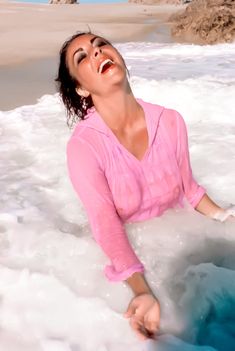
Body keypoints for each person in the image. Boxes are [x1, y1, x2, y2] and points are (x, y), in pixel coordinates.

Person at [56, 31, 235, 341]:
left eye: (101, 45)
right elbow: (105, 222)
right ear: (81, 88)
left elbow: (189, 190)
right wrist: (142, 290)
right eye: (82, 57)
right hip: (138, 262)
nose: (97, 53)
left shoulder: (170, 121)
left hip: (189, 250)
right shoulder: (84, 147)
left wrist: (226, 218)